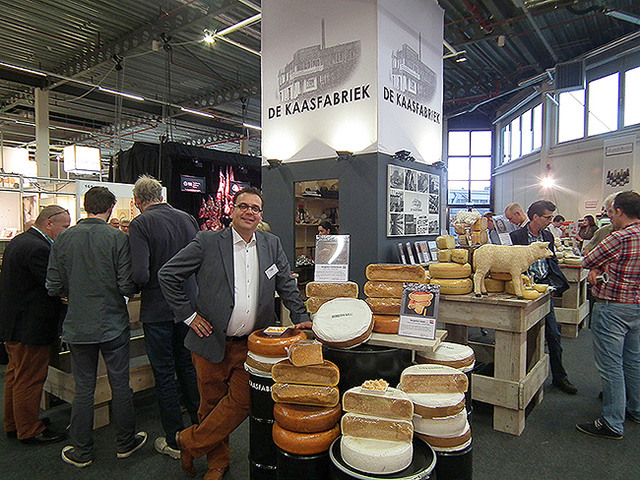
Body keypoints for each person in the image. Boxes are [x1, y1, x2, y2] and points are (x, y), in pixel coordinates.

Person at [158, 187, 311, 480]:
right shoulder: (207, 242)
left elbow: (286, 284)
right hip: (211, 341)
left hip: (253, 345)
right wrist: (189, 316)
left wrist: (301, 316)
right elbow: (168, 275)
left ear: (261, 215)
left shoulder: (271, 243)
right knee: (211, 405)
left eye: (255, 208)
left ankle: (189, 442)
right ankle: (217, 463)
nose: (249, 212)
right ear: (233, 210)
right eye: (243, 206)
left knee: (244, 401)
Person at [46, 187, 146, 467]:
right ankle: (125, 442)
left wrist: (73, 292)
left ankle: (82, 451)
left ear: (85, 206)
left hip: (78, 326)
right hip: (112, 322)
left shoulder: (63, 238)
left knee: (84, 388)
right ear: (111, 208)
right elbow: (126, 284)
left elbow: (52, 285)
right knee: (120, 384)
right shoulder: (117, 238)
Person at [128, 175, 200, 459]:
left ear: (137, 201)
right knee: (189, 368)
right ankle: (201, 430)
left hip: (158, 308)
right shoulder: (187, 219)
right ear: (161, 195)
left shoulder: (141, 223)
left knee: (165, 374)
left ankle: (174, 439)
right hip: (189, 306)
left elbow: (140, 273)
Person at [1, 205, 71, 444]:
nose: (66, 231)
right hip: (30, 326)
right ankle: (30, 429)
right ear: (49, 223)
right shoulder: (38, 249)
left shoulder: (21, 241)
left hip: (16, 324)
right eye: (65, 226)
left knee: (16, 375)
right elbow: (52, 284)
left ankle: (15, 423)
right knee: (30, 378)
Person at [576, 191, 640, 439]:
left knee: (611, 365)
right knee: (633, 361)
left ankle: (612, 421)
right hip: (636, 306)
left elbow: (587, 259)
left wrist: (597, 266)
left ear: (620, 211)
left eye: (612, 212)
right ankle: (635, 409)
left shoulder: (619, 237)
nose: (610, 217)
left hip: (613, 306)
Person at [510, 200, 577, 394]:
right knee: (520, 336)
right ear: (535, 217)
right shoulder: (516, 236)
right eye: (547, 217)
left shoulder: (548, 236)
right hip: (523, 289)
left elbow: (552, 261)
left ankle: (560, 377)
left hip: (544, 289)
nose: (550, 221)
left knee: (553, 334)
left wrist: (554, 284)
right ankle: (520, 378)